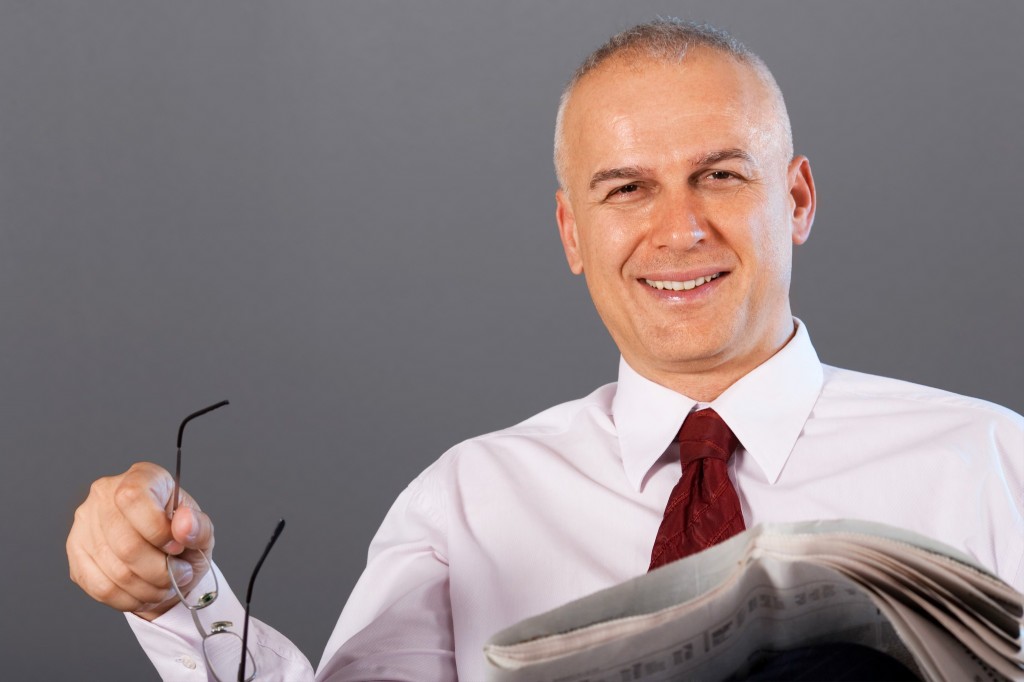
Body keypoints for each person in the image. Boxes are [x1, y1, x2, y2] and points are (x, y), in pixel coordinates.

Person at [66, 19, 1023, 681]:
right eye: (627, 190)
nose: (680, 228)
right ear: (573, 232)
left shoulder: (992, 467)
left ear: (798, 199)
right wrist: (183, 597)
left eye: (721, 175)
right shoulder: (466, 503)